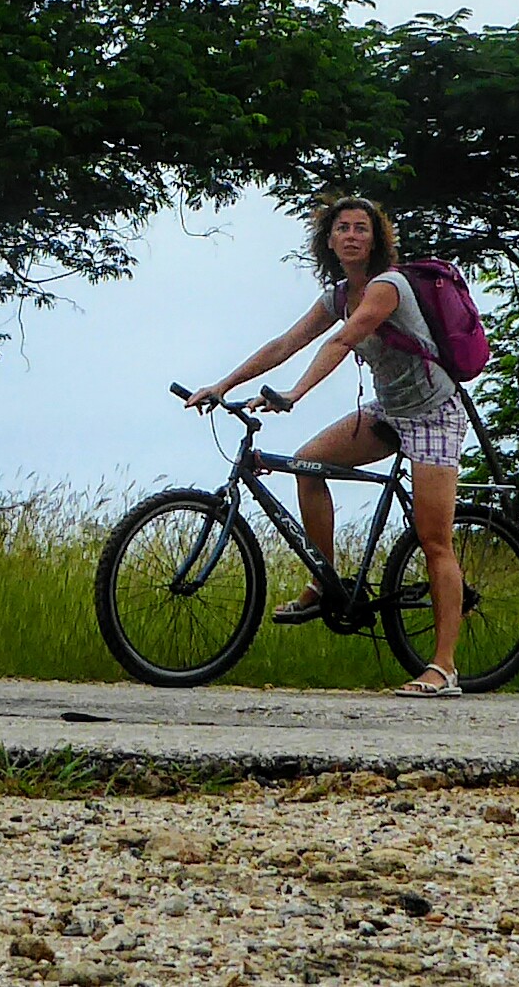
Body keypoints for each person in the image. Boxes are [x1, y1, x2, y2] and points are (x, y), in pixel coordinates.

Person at [188, 195, 471, 698]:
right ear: (329, 240)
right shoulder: (337, 295)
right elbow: (285, 342)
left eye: (362, 228)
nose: (352, 235)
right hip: (387, 411)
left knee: (434, 543)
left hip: (432, 413)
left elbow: (341, 343)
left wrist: (295, 393)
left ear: (376, 239)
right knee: (307, 464)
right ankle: (325, 583)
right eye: (342, 228)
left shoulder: (388, 288)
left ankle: (444, 667)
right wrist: (223, 384)